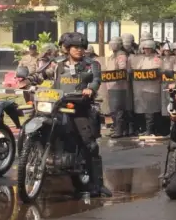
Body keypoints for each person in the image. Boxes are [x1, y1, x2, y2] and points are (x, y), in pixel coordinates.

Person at [23, 32, 112, 197]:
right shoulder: (57, 64)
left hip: (79, 107)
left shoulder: (91, 64)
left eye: (81, 47)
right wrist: (28, 81)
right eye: (75, 47)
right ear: (68, 49)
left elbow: (96, 80)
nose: (79, 50)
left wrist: (90, 89)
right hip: (56, 106)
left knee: (90, 145)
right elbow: (41, 74)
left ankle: (98, 184)